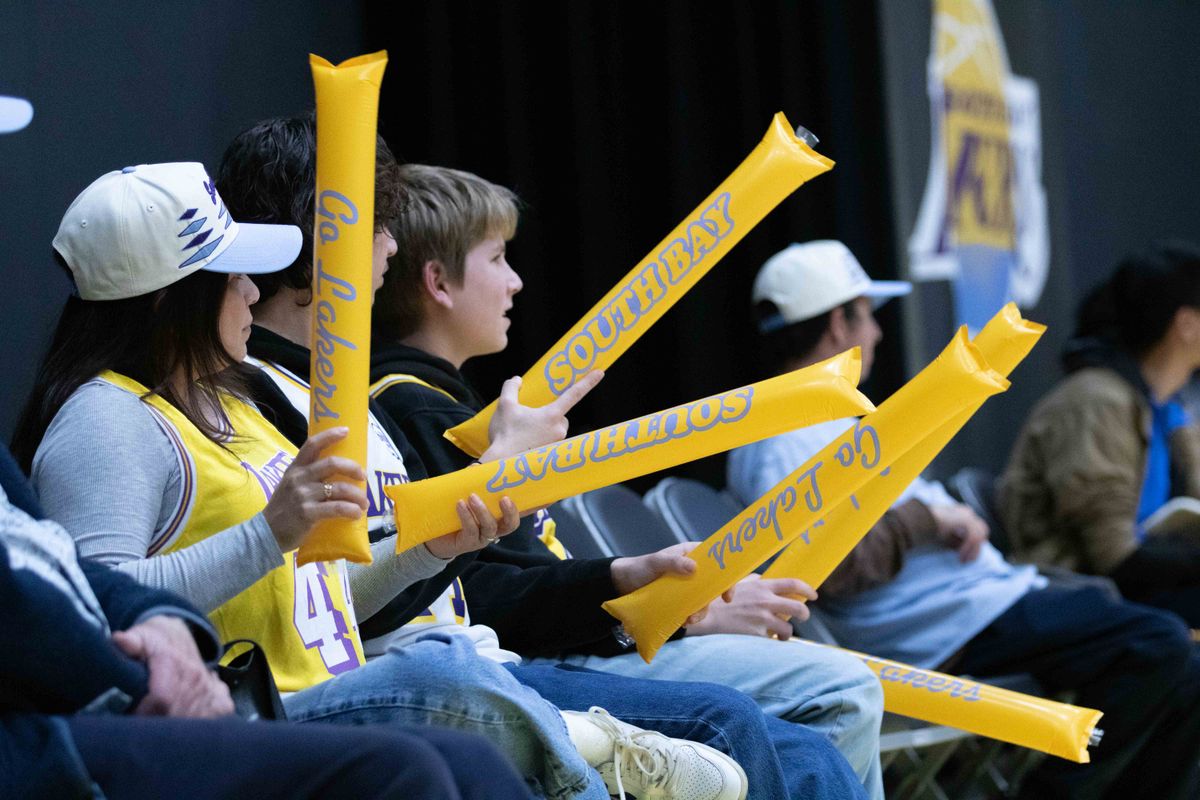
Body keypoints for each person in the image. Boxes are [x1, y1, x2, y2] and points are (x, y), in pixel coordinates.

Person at [15, 158, 774, 800]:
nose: (252, 291)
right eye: (230, 275)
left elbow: (316, 601)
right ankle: (591, 756)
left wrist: (428, 550)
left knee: (453, 702)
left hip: (321, 679)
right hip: (260, 708)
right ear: (168, 300)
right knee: (440, 670)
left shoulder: (227, 401)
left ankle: (591, 748)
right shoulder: (104, 421)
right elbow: (101, 617)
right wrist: (269, 532)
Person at [215, 115, 861, 800]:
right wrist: (632, 586)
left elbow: (428, 581)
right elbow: (421, 597)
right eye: (498, 259)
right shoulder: (335, 403)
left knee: (803, 730)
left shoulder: (358, 404)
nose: (390, 248)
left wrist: (647, 588)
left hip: (473, 662)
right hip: (435, 675)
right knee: (782, 712)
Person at [727, 239, 1200, 800]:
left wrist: (932, 515)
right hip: (942, 629)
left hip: (978, 604)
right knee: (1160, 647)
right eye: (869, 318)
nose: (877, 334)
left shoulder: (831, 416)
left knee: (1175, 655)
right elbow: (825, 567)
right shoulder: (782, 432)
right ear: (837, 324)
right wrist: (929, 515)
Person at [1001, 241, 1200, 625]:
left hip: (1141, 591)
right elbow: (1114, 558)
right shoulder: (1098, 401)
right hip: (1084, 597)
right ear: (1186, 325)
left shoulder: (1170, 407)